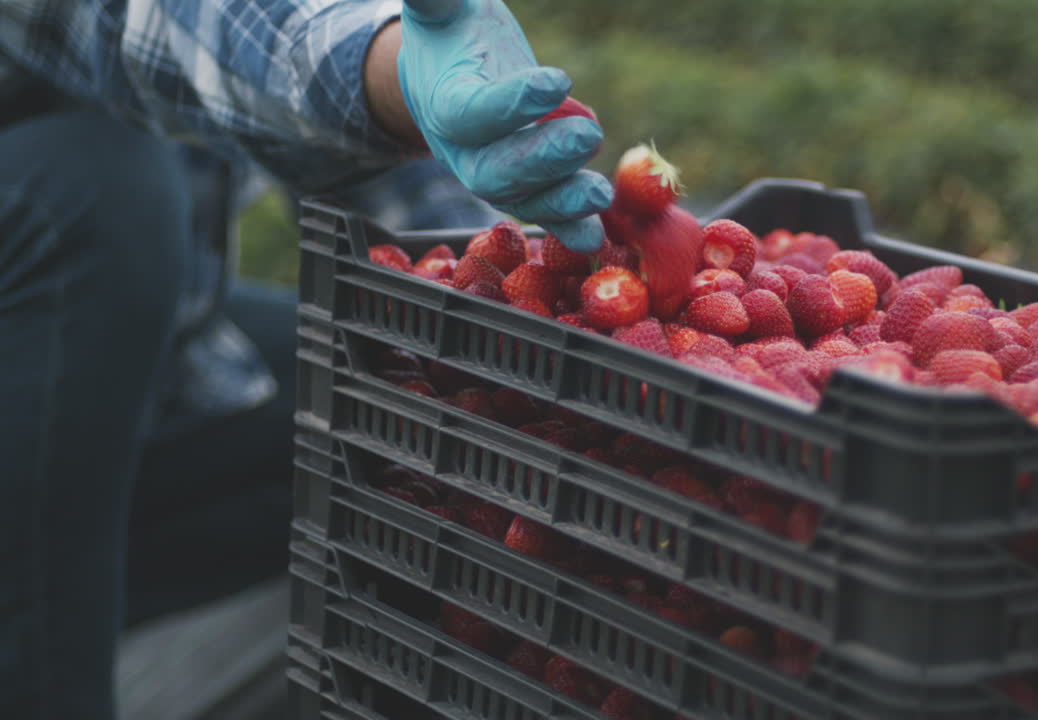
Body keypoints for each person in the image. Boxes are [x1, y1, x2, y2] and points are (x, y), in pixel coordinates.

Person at [0, 0, 613, 717]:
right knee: (88, 189)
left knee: (389, 401)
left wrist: (495, 304)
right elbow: (155, 18)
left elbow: (376, 175)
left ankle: (67, 574)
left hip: (139, 360)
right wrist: (383, 69)